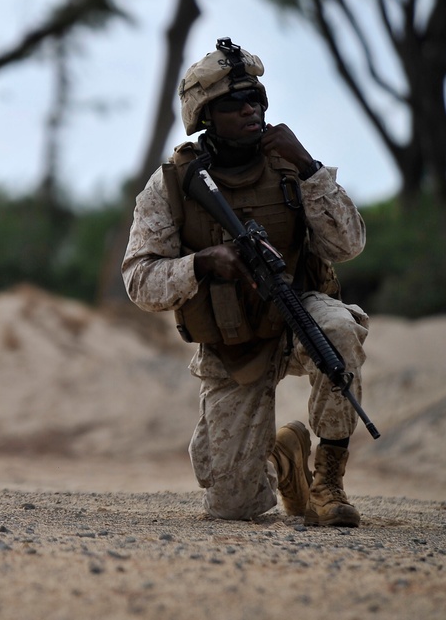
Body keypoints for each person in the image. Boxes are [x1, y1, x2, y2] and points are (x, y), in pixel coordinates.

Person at [122, 38, 369, 527]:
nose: (252, 110)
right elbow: (138, 279)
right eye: (236, 104)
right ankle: (283, 455)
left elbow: (349, 245)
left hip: (298, 313)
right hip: (232, 344)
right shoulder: (173, 183)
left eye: (257, 99)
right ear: (206, 114)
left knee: (338, 332)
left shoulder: (292, 166)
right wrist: (202, 263)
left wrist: (310, 169)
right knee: (233, 507)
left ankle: (327, 482)